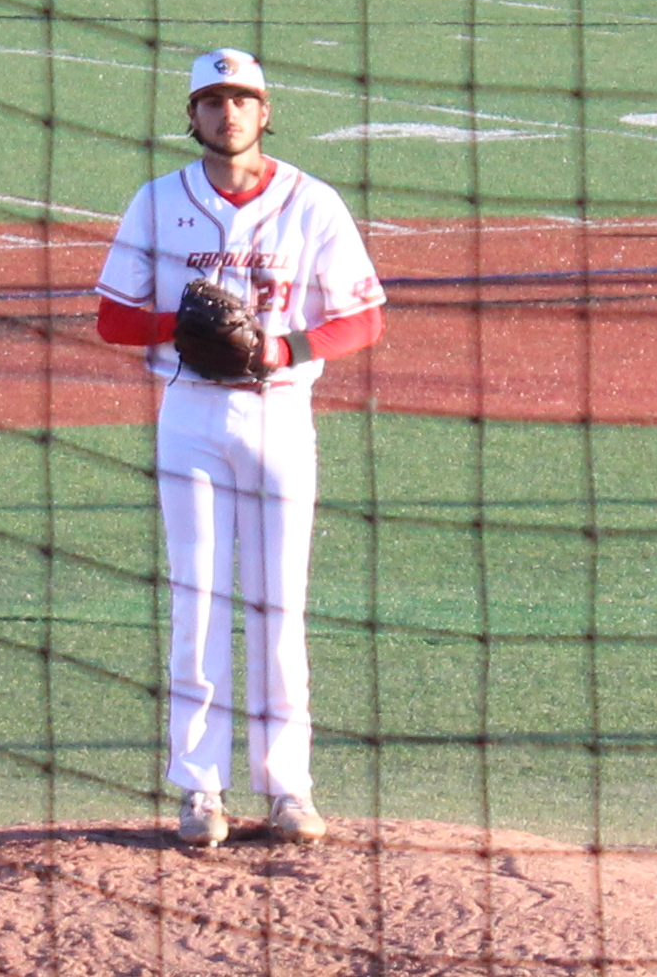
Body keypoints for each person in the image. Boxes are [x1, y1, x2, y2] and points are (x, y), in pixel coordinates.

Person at [94, 48, 386, 846]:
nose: (229, 114)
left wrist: (281, 349)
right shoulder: (156, 203)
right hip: (189, 415)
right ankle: (201, 791)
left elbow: (365, 318)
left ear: (265, 111)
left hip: (281, 416)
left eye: (243, 100)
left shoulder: (312, 202)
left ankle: (289, 789)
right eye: (213, 102)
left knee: (278, 605)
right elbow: (113, 318)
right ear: (191, 116)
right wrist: (179, 329)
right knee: (198, 600)